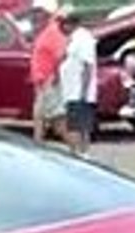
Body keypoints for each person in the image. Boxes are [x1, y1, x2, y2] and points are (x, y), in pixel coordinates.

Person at [59, 7, 98, 156]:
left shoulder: (83, 39)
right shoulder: (75, 38)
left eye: (64, 24)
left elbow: (87, 66)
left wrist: (83, 91)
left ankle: (79, 153)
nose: (63, 27)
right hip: (72, 91)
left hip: (78, 92)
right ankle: (80, 152)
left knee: (77, 126)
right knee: (78, 125)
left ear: (71, 24)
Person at [30, 0, 68, 143]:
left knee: (57, 122)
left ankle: (77, 152)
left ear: (47, 14)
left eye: (39, 12)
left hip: (48, 83)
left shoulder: (53, 32)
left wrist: (54, 77)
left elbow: (62, 56)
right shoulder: (44, 32)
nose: (36, 15)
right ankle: (38, 150)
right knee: (40, 119)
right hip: (41, 83)